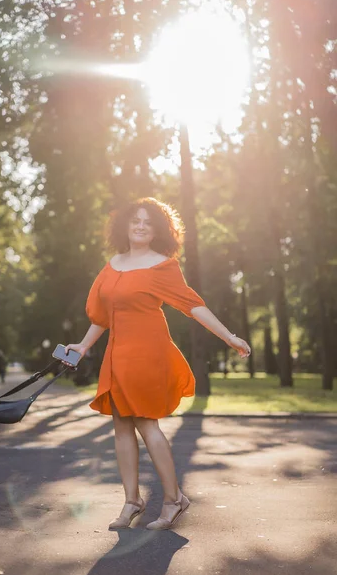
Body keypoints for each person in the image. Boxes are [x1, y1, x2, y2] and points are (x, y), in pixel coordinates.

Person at [64, 197, 251, 531]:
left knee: (147, 424)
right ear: (124, 224)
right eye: (135, 220)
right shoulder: (113, 263)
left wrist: (229, 337)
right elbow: (102, 317)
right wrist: (82, 346)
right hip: (116, 354)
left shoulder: (161, 265)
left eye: (147, 222)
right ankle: (132, 501)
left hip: (148, 353)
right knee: (121, 425)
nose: (139, 226)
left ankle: (173, 499)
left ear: (157, 231)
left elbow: (193, 305)